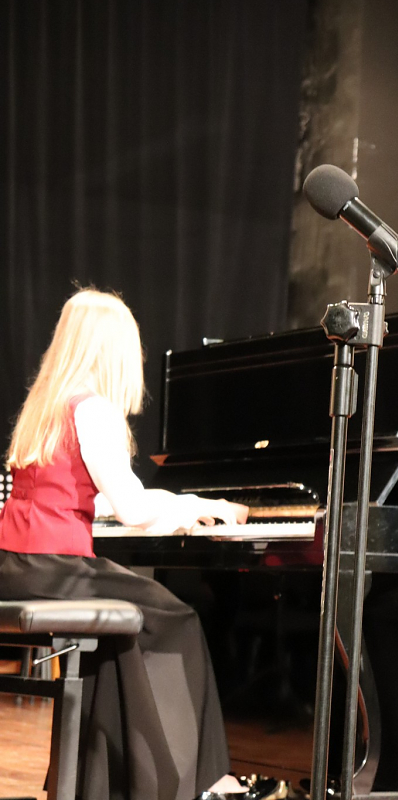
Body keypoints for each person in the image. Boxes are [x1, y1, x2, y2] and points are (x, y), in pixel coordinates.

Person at [0, 288, 279, 800]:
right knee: (178, 617)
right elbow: (131, 509)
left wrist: (188, 503)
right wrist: (193, 509)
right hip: (55, 567)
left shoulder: (46, 406)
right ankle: (202, 778)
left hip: (16, 565)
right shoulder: (93, 410)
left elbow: (102, 498)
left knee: (123, 627)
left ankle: (106, 782)